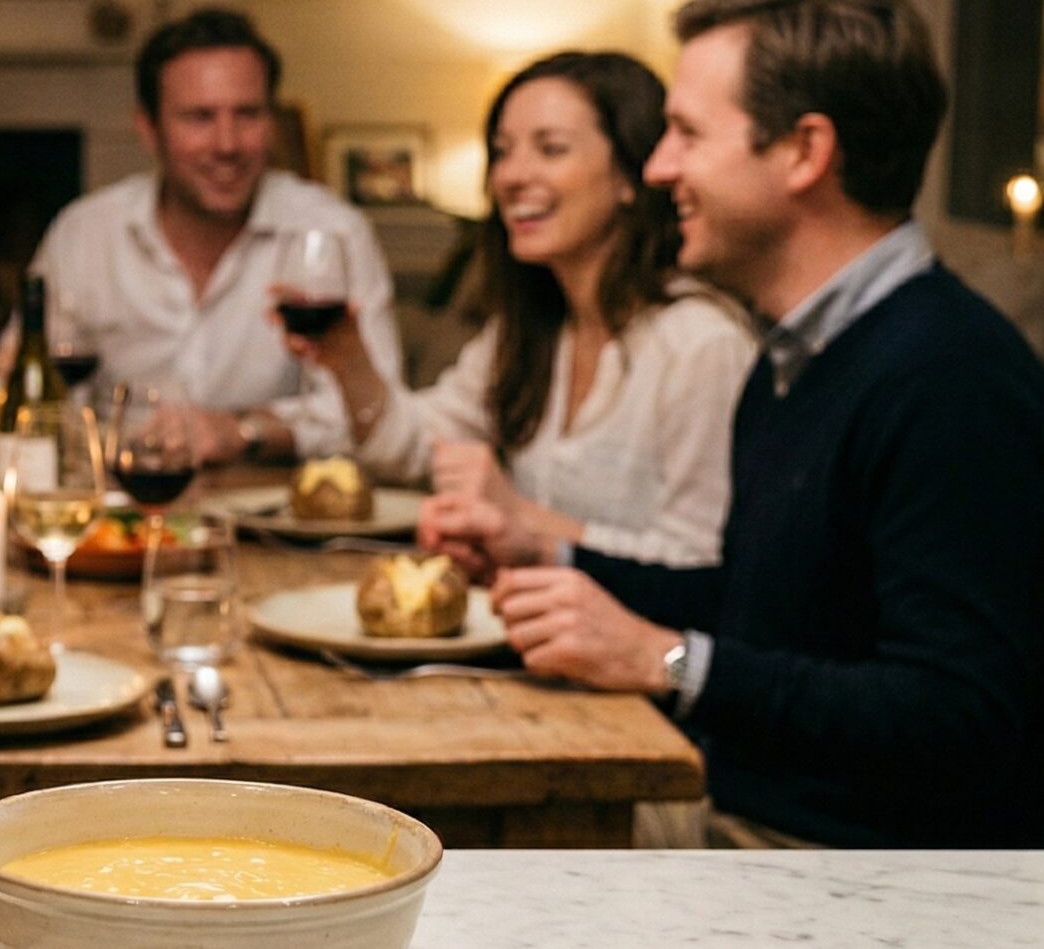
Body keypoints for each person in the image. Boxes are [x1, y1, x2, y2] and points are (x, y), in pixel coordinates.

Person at [428, 0, 1044, 848]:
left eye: (688, 134)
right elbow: (756, 604)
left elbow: (956, 716)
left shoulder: (950, 378)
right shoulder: (799, 357)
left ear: (805, 153)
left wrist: (666, 661)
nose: (659, 170)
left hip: (854, 878)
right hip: (750, 814)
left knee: (446, 853)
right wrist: (548, 550)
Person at [283, 52, 756, 566]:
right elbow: (418, 449)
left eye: (550, 149)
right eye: (502, 152)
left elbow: (701, 565)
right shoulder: (533, 327)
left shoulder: (701, 346)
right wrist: (349, 360)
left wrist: (521, 518)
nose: (511, 176)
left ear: (630, 175)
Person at [0, 7, 406, 464]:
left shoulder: (331, 234)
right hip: (117, 504)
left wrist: (242, 430)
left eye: (247, 114)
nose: (227, 144)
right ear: (149, 130)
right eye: (199, 117)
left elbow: (375, 413)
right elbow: (7, 389)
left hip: (271, 510)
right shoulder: (86, 233)